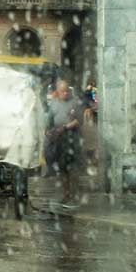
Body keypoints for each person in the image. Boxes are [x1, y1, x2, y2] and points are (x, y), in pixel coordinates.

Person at [45, 78, 84, 208]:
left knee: (73, 168)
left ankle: (75, 194)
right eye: (62, 91)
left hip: (72, 138)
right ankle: (66, 194)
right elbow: (49, 121)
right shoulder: (54, 104)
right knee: (62, 169)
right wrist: (48, 131)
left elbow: (79, 120)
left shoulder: (75, 103)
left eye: (67, 91)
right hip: (59, 140)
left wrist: (66, 127)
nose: (65, 93)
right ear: (58, 91)